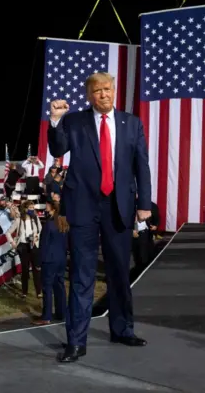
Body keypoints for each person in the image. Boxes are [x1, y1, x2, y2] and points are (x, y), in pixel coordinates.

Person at [47, 72, 152, 363]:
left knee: (119, 272)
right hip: (82, 209)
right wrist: (55, 120)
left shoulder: (131, 124)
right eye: (96, 91)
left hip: (119, 208)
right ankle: (76, 342)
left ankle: (122, 329)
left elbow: (141, 166)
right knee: (82, 276)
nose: (102, 95)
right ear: (88, 95)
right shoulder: (74, 121)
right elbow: (58, 149)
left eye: (106, 89)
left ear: (114, 90)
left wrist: (144, 203)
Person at [33, 200, 68, 325]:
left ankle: (46, 316)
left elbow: (44, 244)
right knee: (60, 285)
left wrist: (38, 261)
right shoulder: (63, 222)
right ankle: (62, 312)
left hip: (49, 259)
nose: (45, 206)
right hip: (61, 258)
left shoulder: (49, 224)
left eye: (47, 205)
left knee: (47, 288)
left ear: (52, 208)